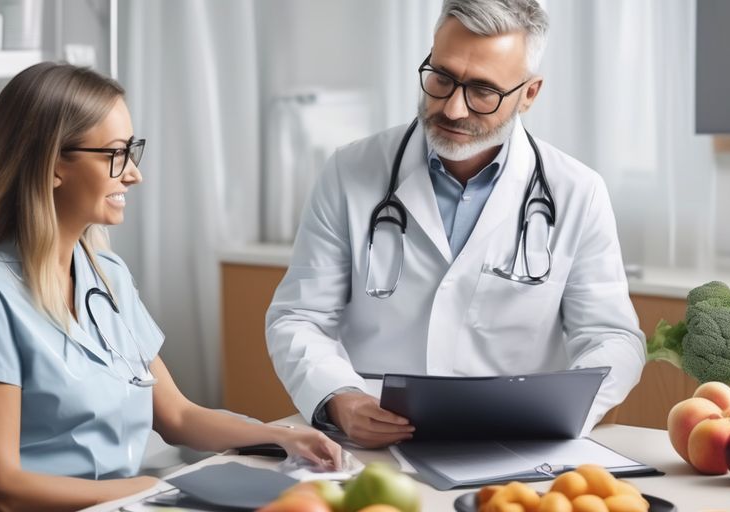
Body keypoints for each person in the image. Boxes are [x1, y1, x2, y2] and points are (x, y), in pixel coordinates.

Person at [0, 62, 341, 512]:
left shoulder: (107, 274)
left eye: (131, 151)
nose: (134, 174)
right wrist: (151, 490)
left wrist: (283, 437)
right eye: (116, 154)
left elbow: (177, 416)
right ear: (52, 164)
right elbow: (3, 489)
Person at [266, 0, 647, 449]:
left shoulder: (577, 192)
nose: (452, 109)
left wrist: (559, 412)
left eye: (483, 90)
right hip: (375, 446)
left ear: (529, 93)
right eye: (442, 78)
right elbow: (299, 316)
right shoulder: (349, 172)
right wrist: (337, 395)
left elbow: (612, 338)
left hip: (515, 447)